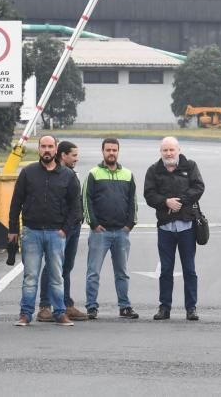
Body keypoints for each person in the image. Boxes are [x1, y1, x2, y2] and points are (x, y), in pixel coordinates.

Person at [8, 135, 82, 327]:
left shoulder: (68, 175)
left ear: (56, 149)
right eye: (43, 146)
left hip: (56, 234)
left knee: (57, 276)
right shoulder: (28, 172)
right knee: (30, 276)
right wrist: (13, 229)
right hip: (31, 232)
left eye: (50, 146)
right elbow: (16, 202)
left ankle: (60, 313)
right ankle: (25, 314)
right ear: (39, 149)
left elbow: (76, 206)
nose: (47, 150)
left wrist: (65, 230)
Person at [144, 136, 205, 321]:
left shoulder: (190, 166)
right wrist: (165, 202)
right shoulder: (154, 170)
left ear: (178, 149)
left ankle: (191, 307)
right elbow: (149, 194)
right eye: (165, 150)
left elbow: (199, 187)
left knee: (189, 269)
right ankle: (164, 307)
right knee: (166, 270)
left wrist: (180, 201)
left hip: (187, 226)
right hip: (165, 228)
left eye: (172, 150)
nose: (169, 153)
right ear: (160, 151)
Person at [84, 137, 139, 320]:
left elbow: (133, 202)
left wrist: (130, 225)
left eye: (114, 150)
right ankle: (91, 306)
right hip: (100, 232)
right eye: (108, 150)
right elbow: (86, 200)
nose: (111, 153)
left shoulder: (128, 175)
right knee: (93, 272)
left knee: (122, 272)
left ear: (118, 151)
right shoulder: (93, 174)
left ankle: (125, 306)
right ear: (102, 151)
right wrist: (93, 223)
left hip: (121, 232)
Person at [38, 141, 88, 322]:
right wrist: (63, 227)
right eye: (73, 155)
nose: (77, 158)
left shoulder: (71, 174)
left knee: (66, 266)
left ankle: (66, 303)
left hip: (73, 227)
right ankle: (45, 306)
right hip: (60, 228)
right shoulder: (57, 175)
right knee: (52, 266)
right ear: (63, 155)